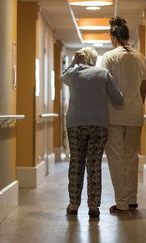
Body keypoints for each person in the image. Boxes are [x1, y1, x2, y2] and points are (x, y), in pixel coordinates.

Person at [60, 47, 124, 218]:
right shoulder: (103, 74)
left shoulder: (73, 73)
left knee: (76, 163)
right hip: (98, 124)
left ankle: (74, 204)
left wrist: (73, 62)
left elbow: (62, 76)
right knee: (94, 164)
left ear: (81, 59)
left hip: (75, 124)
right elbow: (118, 99)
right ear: (94, 60)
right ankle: (93, 207)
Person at [100, 16, 146, 213]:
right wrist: (137, 105)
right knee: (132, 157)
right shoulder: (140, 57)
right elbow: (143, 87)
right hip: (135, 114)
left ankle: (121, 203)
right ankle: (132, 199)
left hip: (114, 115)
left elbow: (103, 85)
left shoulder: (109, 57)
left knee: (116, 158)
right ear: (126, 36)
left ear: (113, 37)